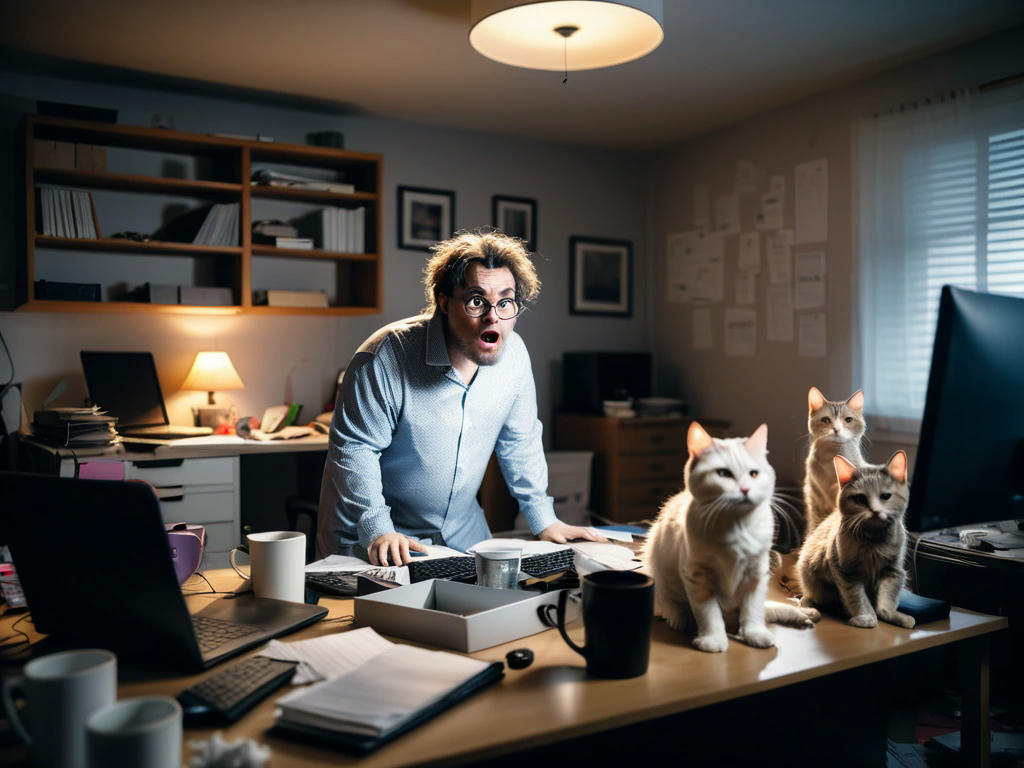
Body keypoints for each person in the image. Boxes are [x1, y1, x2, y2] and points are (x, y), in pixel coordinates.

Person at [316, 230, 604, 565]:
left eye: (506, 302)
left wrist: (544, 518)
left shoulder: (514, 357)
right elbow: (355, 450)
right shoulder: (384, 356)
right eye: (477, 301)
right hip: (374, 537)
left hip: (462, 535)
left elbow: (520, 441)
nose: (492, 316)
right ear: (443, 300)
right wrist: (380, 528)